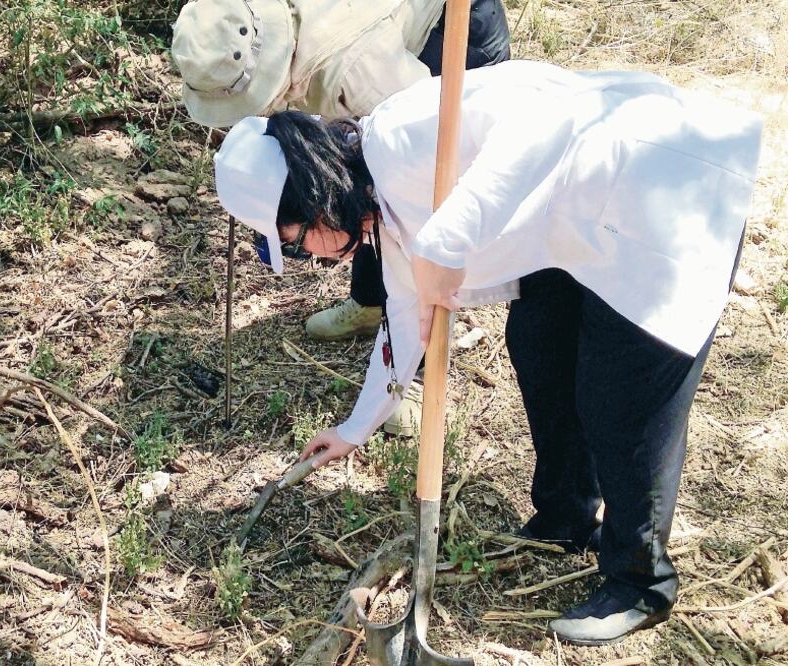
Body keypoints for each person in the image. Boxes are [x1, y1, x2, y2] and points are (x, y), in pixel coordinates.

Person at [211, 59, 762, 645]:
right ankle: (565, 517)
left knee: (620, 400)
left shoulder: (403, 137)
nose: (313, 260)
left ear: (316, 198)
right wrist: (354, 428)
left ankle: (639, 581)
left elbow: (552, 116)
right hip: (574, 234)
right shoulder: (379, 211)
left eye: (297, 246)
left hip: (655, 194)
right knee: (537, 346)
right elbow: (405, 319)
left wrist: (453, 232)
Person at [171, 0, 510, 435]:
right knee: (352, 189)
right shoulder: (251, 29)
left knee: (387, 209)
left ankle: (419, 373)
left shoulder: (361, 73)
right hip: (376, 52)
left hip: (450, 31)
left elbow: (428, 180)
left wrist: (425, 276)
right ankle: (371, 303)